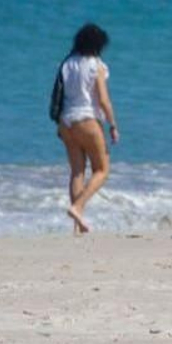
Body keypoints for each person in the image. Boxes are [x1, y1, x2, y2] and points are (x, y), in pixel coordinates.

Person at [51, 23, 119, 234]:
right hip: (87, 120)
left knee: (77, 172)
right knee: (102, 169)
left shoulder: (67, 63)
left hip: (66, 122)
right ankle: (77, 207)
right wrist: (113, 125)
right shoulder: (96, 65)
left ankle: (77, 225)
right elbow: (104, 100)